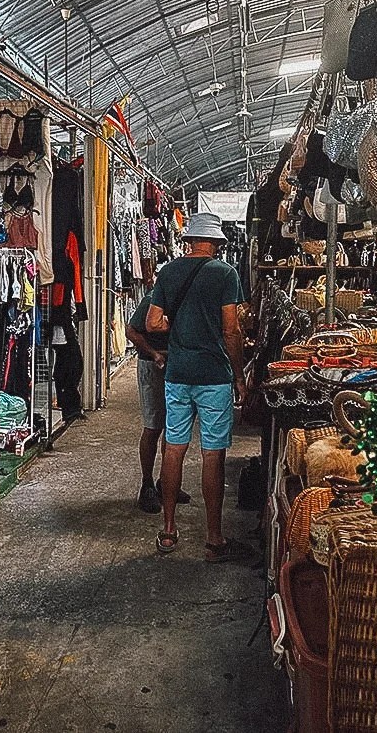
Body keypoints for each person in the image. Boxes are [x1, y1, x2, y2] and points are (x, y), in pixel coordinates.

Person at [146, 212, 247, 561]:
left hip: (178, 372)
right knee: (212, 454)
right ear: (217, 243)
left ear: (189, 240)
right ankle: (214, 537)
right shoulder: (226, 274)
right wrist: (238, 374)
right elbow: (231, 330)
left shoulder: (169, 272)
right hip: (214, 375)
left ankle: (169, 530)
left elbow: (152, 321)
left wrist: (180, 325)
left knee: (173, 448)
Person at [125, 295, 191, 514]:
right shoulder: (154, 298)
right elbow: (131, 331)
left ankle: (166, 483)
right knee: (153, 426)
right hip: (152, 366)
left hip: (177, 366)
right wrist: (153, 353)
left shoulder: (185, 300)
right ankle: (147, 484)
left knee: (173, 428)